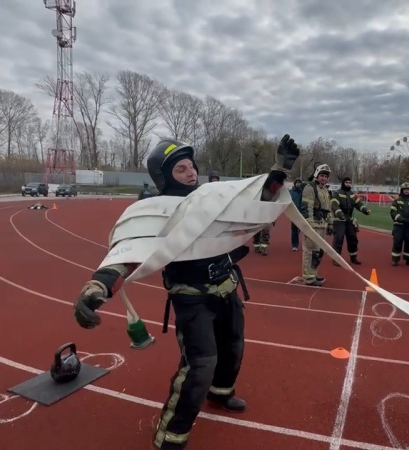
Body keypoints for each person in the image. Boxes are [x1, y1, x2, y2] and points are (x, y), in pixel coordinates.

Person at [72, 135, 300, 450]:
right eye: (181, 169)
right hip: (192, 298)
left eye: (191, 166)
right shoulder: (154, 212)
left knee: (233, 347)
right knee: (200, 364)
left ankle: (221, 393)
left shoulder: (212, 199)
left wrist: (280, 168)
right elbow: (128, 252)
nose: (191, 173)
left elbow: (256, 199)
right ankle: (170, 435)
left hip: (227, 288)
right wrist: (97, 287)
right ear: (164, 178)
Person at [300, 164, 332, 286]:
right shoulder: (310, 188)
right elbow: (306, 208)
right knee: (310, 251)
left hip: (322, 225)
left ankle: (313, 273)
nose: (324, 178)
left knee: (318, 252)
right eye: (322, 176)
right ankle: (308, 277)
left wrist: (330, 223)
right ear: (316, 176)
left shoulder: (325, 190)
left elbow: (327, 209)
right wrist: (310, 226)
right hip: (313, 225)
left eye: (326, 176)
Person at [329, 176, 371, 265]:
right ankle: (337, 259)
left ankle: (353, 257)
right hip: (339, 220)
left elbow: (359, 204)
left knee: (353, 238)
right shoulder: (337, 193)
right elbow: (334, 204)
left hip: (349, 221)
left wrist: (365, 210)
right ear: (343, 183)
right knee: (338, 238)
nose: (348, 184)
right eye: (346, 182)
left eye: (349, 183)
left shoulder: (352, 194)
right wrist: (340, 214)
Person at [390, 182, 409, 267]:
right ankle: (395, 260)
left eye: (408, 190)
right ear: (402, 190)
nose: (406, 191)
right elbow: (393, 212)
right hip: (399, 225)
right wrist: (401, 219)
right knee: (397, 242)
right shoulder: (396, 201)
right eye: (405, 190)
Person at [289, 179, 303, 251]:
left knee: (305, 229)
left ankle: (306, 245)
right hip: (294, 213)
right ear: (295, 183)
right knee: (294, 230)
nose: (298, 184)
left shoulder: (303, 191)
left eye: (299, 183)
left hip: (303, 213)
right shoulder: (291, 192)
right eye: (297, 183)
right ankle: (295, 245)